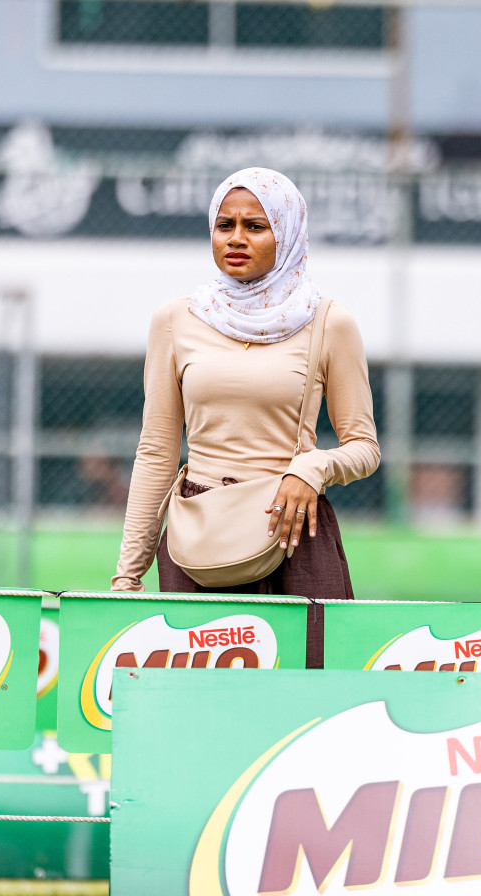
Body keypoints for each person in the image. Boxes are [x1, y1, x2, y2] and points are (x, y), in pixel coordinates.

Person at [110, 168, 380, 666]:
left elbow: (364, 447)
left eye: (256, 226)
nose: (236, 239)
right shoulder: (176, 319)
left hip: (295, 531)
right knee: (195, 709)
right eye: (224, 224)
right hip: (199, 540)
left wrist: (311, 467)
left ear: (289, 231)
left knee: (312, 698)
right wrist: (128, 576)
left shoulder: (328, 322)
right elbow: (156, 452)